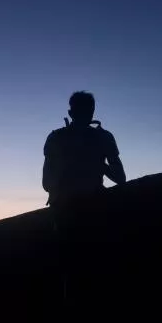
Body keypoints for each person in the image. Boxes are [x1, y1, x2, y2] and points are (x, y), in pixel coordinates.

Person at [42, 91, 125, 232]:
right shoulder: (104, 137)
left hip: (80, 211)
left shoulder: (56, 137)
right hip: (76, 212)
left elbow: (46, 184)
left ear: (70, 113)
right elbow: (120, 178)